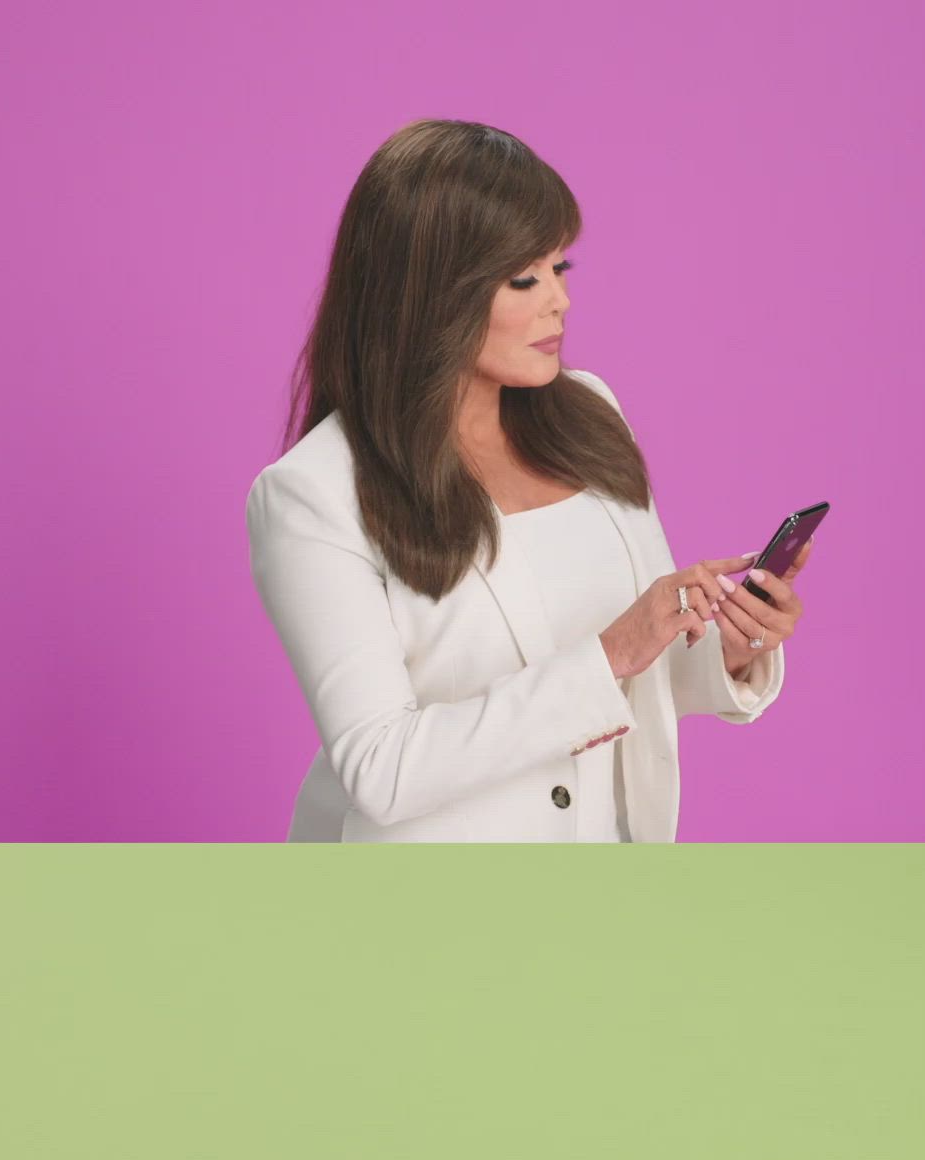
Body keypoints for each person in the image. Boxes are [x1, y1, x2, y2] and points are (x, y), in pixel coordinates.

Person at [246, 119, 811, 843]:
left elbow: (637, 681)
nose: (560, 301)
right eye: (525, 278)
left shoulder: (590, 416)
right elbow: (381, 769)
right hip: (424, 923)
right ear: (430, 294)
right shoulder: (311, 494)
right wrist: (609, 653)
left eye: (560, 268)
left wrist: (732, 646)